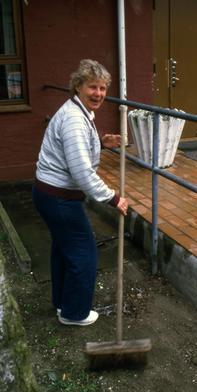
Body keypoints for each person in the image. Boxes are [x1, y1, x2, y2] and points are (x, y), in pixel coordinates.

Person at [32, 59, 128, 326]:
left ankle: (63, 303)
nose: (98, 93)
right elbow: (82, 173)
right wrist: (113, 197)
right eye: (92, 87)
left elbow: (75, 149)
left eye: (102, 88)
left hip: (50, 193)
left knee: (64, 249)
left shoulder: (79, 111)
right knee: (83, 253)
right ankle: (75, 314)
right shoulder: (75, 118)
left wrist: (100, 141)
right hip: (59, 198)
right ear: (77, 86)